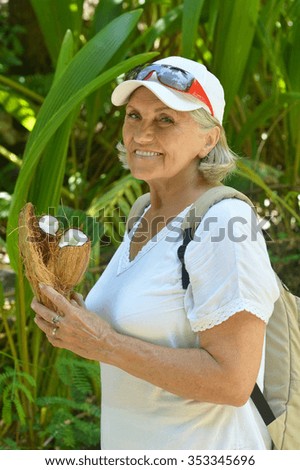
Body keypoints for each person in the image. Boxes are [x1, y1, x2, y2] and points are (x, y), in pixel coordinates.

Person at [31, 56, 280, 450]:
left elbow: (234, 382)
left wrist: (105, 344)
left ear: (208, 139)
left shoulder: (223, 225)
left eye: (165, 119)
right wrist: (76, 320)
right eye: (134, 116)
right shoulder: (141, 214)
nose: (142, 135)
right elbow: (140, 329)